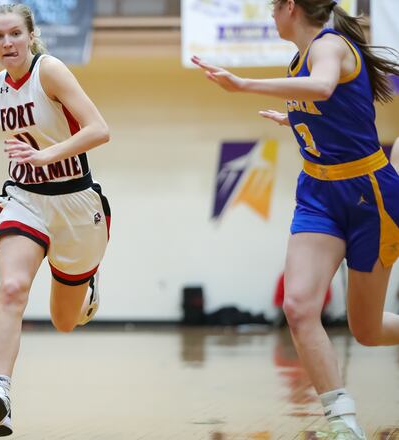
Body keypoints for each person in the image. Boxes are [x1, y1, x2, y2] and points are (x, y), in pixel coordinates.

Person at [193, 1, 399, 438]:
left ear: (291, 7)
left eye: (272, 7)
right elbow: (333, 106)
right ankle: (341, 422)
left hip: (368, 195)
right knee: (299, 306)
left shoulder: (330, 46)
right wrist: (294, 119)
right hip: (318, 194)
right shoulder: (299, 58)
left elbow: (323, 88)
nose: (270, 15)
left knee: (366, 329)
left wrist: (242, 83)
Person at [0, 4, 111, 436]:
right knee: (12, 287)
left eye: (15, 33)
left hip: (75, 201)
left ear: (30, 36)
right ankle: (0, 392)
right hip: (25, 198)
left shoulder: (49, 71)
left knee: (63, 322)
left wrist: (45, 154)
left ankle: (85, 283)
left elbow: (98, 129)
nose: (7, 43)